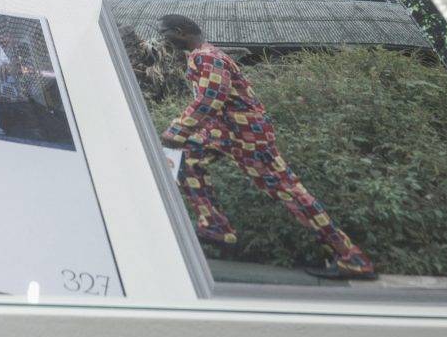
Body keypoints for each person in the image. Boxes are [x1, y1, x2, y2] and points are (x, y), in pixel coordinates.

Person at [157, 14, 375, 279]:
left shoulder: (207, 57)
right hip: (224, 132)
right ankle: (215, 226)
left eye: (164, 33)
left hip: (247, 136)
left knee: (290, 192)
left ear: (180, 32)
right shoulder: (201, 55)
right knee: (187, 160)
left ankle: (352, 258)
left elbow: (209, 100)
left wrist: (177, 130)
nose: (162, 39)